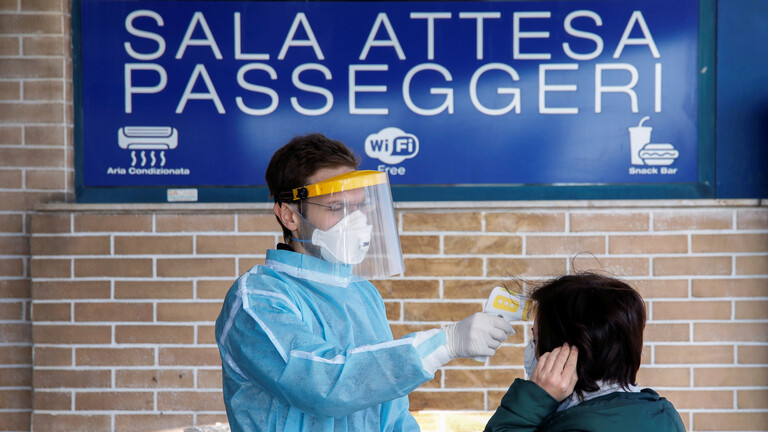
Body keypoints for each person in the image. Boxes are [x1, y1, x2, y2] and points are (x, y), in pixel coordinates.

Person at [215, 133, 515, 432]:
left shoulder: (362, 293)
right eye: (336, 207)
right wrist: (444, 343)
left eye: (358, 206)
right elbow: (322, 386)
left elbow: (391, 411)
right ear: (289, 216)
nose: (355, 220)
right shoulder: (258, 297)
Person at [484, 272, 685, 432]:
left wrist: (531, 403)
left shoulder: (574, 427)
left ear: (564, 356)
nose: (531, 348)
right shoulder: (664, 416)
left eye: (535, 339)